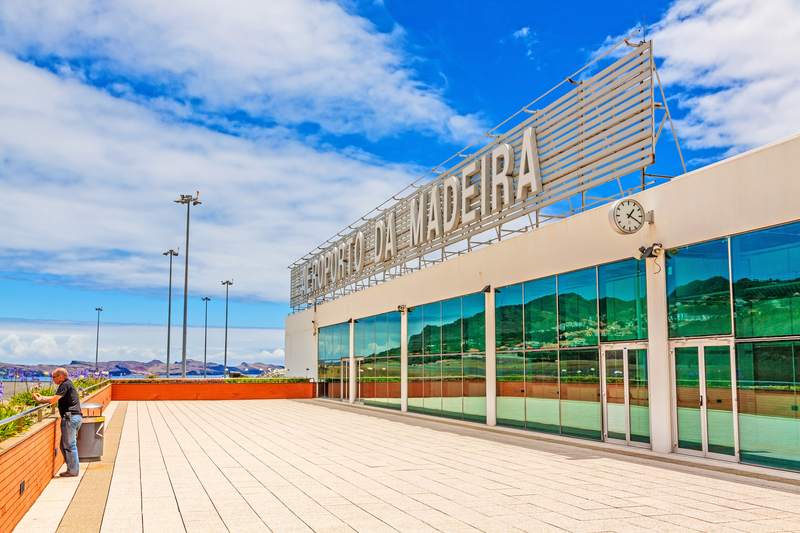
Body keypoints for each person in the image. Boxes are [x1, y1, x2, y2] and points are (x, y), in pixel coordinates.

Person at [34, 368, 82, 477]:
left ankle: (73, 471)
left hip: (70, 418)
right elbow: (55, 398)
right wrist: (42, 398)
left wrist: (42, 399)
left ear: (60, 377)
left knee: (69, 446)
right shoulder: (68, 384)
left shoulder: (65, 385)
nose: (52, 379)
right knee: (64, 445)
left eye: (53, 377)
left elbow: (54, 400)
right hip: (75, 418)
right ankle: (71, 469)